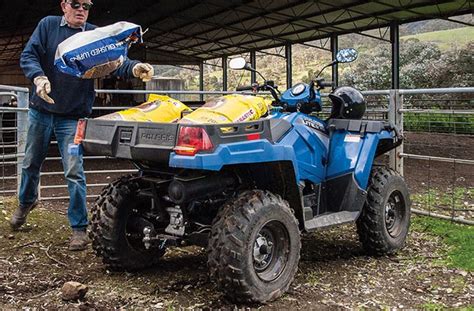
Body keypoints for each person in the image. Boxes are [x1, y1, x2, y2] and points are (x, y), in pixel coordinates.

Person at [11, 0, 154, 251]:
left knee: (74, 171)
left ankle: (79, 228)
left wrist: (135, 68)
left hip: (72, 116)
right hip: (41, 110)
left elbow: (117, 61)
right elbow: (29, 54)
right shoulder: (48, 26)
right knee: (31, 162)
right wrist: (38, 77)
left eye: (86, 5)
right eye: (76, 4)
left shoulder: (94, 36)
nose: (81, 9)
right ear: (64, 5)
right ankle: (26, 203)